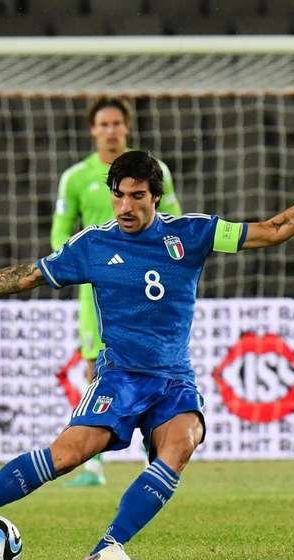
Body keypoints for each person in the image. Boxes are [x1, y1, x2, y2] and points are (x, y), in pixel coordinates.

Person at [0, 150, 294, 560]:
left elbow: (273, 230)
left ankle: (107, 549)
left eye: (137, 196)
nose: (125, 206)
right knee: (67, 455)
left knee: (184, 440)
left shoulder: (193, 233)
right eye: (118, 195)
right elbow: (28, 276)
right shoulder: (92, 245)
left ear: (156, 196)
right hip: (120, 377)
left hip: (173, 379)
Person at [51, 96, 182, 488]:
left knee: (155, 361)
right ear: (93, 130)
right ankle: (92, 464)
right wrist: (78, 262)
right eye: (103, 124)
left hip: (147, 283)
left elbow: (174, 221)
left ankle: (155, 454)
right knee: (96, 366)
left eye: (116, 124)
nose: (110, 131)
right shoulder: (76, 177)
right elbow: (59, 232)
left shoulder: (154, 172)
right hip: (100, 288)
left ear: (126, 127)